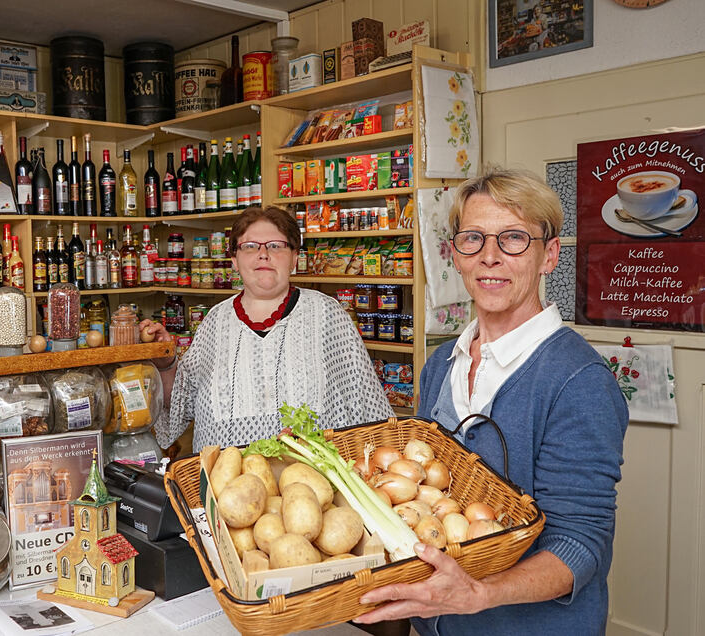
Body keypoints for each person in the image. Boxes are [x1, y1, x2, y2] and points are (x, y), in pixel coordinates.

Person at [354, 167, 628, 635]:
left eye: (514, 239)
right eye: (473, 239)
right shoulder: (443, 363)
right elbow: (428, 498)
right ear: (456, 255)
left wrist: (479, 594)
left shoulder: (578, 379)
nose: (490, 257)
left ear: (549, 256)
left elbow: (581, 544)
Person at [141, 206, 394, 452]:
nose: (263, 254)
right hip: (225, 486)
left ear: (294, 257)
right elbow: (180, 404)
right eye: (250, 246)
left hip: (312, 484)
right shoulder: (215, 321)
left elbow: (370, 409)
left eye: (275, 245)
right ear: (234, 260)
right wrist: (165, 363)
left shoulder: (327, 313)